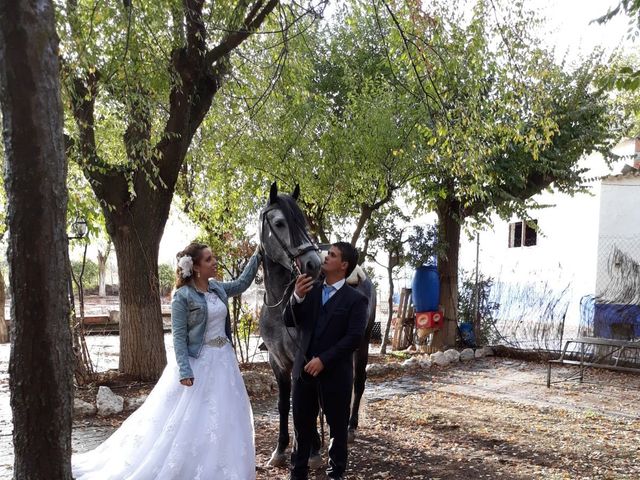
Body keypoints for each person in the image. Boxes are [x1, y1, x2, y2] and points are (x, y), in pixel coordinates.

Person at [72, 242, 261, 480]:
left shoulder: (217, 289)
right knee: (193, 419)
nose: (214, 262)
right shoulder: (183, 297)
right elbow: (179, 338)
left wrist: (260, 252)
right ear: (196, 268)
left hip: (225, 362)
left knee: (226, 417)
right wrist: (184, 370)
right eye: (209, 259)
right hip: (198, 363)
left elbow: (242, 283)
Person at [284, 242, 368, 480]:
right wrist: (296, 297)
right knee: (301, 430)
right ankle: (297, 475)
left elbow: (353, 338)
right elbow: (289, 321)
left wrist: (324, 360)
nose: (325, 257)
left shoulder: (356, 300)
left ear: (343, 265)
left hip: (335, 376)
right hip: (303, 374)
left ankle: (335, 475)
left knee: (337, 432)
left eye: (332, 255)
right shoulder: (309, 291)